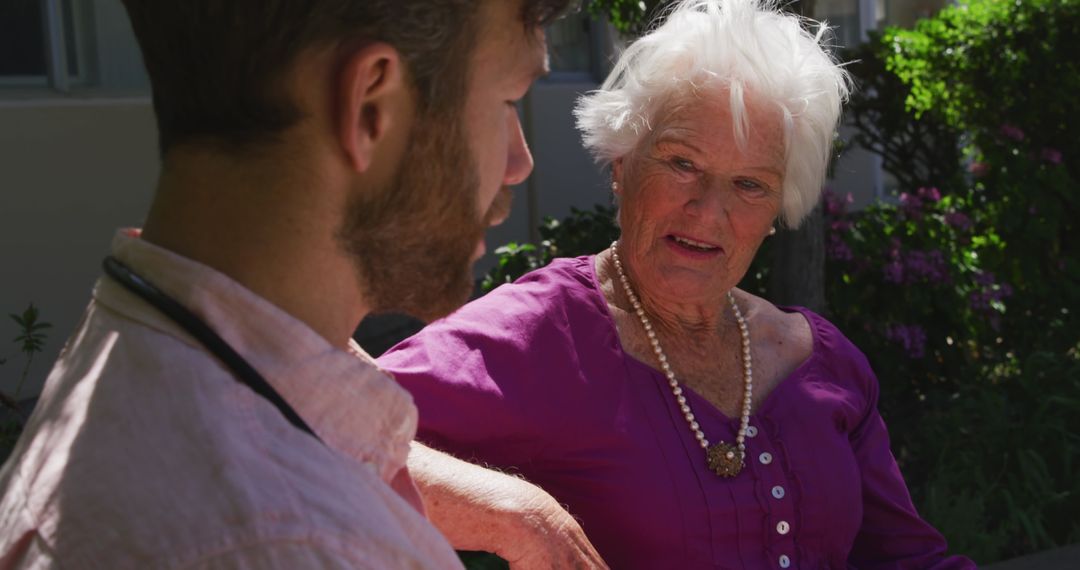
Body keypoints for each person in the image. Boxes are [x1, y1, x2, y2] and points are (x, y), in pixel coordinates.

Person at [0, 1, 607, 568]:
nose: (519, 161)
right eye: (508, 101)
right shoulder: (292, 543)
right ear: (372, 106)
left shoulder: (135, 356)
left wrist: (516, 515)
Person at [379, 0, 977, 567]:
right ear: (621, 162)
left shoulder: (822, 363)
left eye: (750, 185)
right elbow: (320, 426)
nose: (708, 211)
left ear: (779, 210)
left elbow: (909, 560)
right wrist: (515, 515)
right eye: (682, 163)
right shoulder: (544, 332)